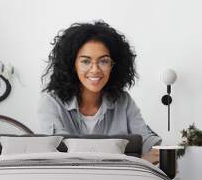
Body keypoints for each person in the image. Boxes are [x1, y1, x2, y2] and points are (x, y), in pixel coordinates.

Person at [38, 21, 161, 162]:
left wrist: (158, 153)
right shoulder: (51, 102)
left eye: (103, 61)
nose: (95, 69)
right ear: (73, 65)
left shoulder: (123, 101)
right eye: (85, 61)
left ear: (113, 65)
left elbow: (145, 140)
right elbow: (59, 150)